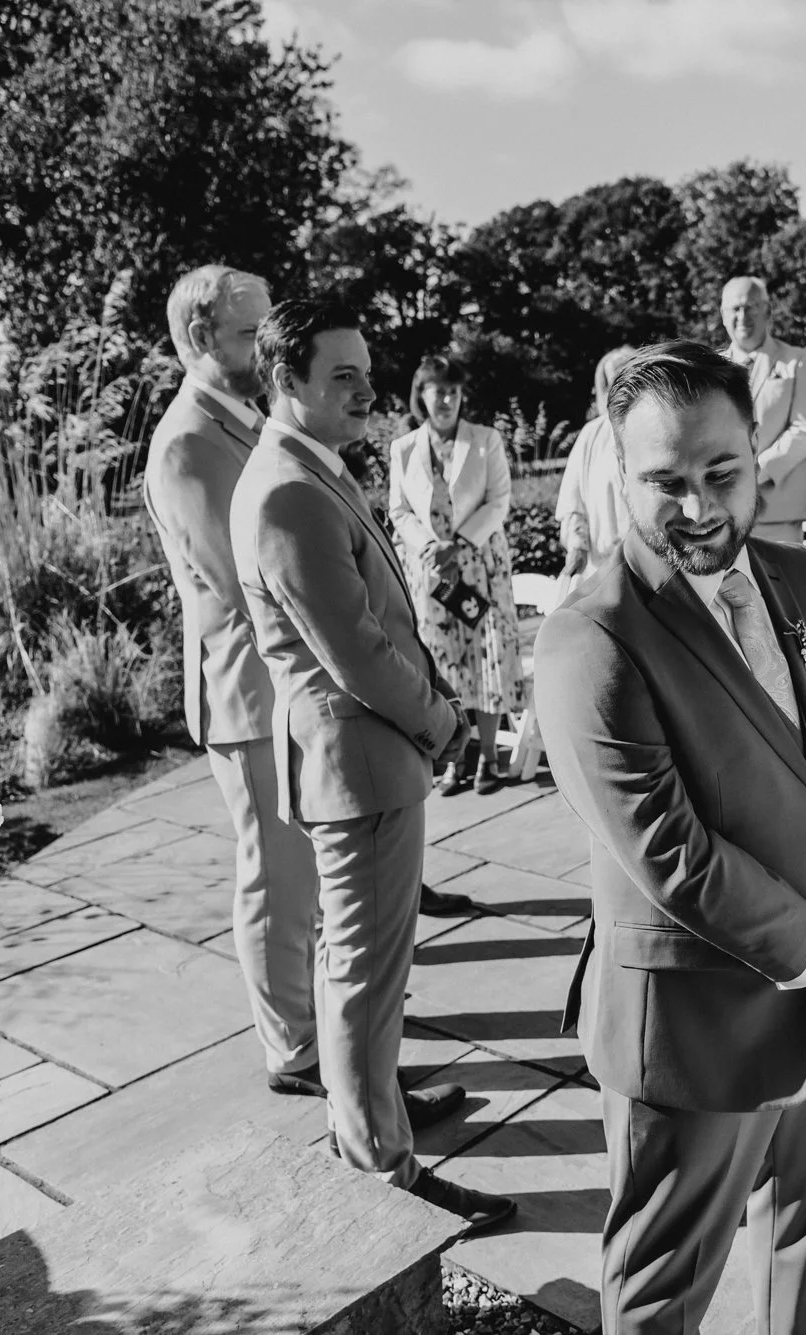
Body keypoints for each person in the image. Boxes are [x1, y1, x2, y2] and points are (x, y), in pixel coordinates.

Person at [534, 340, 806, 1335]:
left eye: (719, 473)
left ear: (759, 456)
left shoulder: (798, 578)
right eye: (663, 481)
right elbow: (667, 852)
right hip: (695, 1023)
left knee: (802, 1249)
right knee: (663, 1289)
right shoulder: (592, 637)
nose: (697, 507)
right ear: (619, 475)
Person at [230, 297, 513, 1229]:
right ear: (286, 380)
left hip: (358, 759)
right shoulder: (284, 492)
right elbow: (355, 653)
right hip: (358, 760)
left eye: (364, 370)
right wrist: (442, 723)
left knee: (367, 970)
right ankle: (383, 1172)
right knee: (360, 976)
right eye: (340, 375)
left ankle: (378, 1110)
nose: (365, 389)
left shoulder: (309, 469)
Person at [144, 266, 325, 1099]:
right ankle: (296, 1054)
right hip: (248, 693)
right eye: (250, 333)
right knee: (276, 879)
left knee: (308, 881)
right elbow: (241, 578)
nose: (265, 346)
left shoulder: (243, 418)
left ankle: (324, 1028)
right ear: (199, 339)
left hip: (279, 685)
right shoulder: (186, 442)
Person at [390, 356, 526, 797]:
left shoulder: (485, 441)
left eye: (453, 391)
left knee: (485, 659)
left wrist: (460, 544)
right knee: (443, 661)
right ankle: (456, 759)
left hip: (480, 565)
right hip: (432, 573)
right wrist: (429, 547)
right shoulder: (404, 448)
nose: (446, 399)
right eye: (437, 391)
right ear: (422, 395)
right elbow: (399, 510)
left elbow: (499, 499)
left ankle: (489, 755)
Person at [721, 276, 806, 544]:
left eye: (751, 306)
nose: (743, 316)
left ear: (767, 311)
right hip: (723, 510)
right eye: (735, 308)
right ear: (723, 315)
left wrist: (756, 470)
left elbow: (805, 428)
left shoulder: (798, 360)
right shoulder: (710, 369)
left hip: (778, 509)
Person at [556, 345, 637, 588]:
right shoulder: (592, 434)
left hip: (652, 565)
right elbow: (573, 501)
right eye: (615, 380)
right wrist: (576, 547)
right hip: (602, 569)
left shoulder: (656, 428)